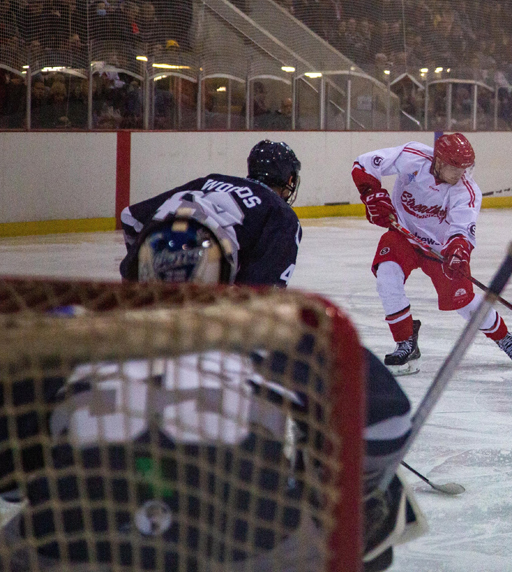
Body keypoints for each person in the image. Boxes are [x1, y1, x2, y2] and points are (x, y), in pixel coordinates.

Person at [0, 211, 422, 572]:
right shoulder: (278, 333)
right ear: (227, 275)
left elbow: (11, 483)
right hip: (249, 548)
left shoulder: (68, 332)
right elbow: (386, 427)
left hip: (69, 547)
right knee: (381, 502)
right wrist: (321, 477)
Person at [352, 133, 512, 375]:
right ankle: (405, 342)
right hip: (403, 236)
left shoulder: (467, 192)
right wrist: (372, 194)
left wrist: (457, 253)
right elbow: (364, 164)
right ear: (439, 161)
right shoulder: (413, 156)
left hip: (441, 251)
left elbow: (462, 231)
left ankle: (503, 336)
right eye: (455, 167)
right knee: (387, 277)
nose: (460, 173)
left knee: (463, 301)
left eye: (464, 168)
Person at [119, 140, 303, 287]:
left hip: (141, 278)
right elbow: (263, 290)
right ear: (290, 179)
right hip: (201, 284)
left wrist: (142, 263)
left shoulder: (209, 181)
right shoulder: (281, 213)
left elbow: (130, 217)